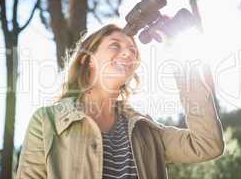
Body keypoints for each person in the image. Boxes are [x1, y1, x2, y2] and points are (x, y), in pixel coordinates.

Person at [16, 24, 225, 179]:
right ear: (88, 60)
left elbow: (207, 145)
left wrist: (181, 60)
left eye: (133, 51)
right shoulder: (46, 121)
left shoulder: (145, 130)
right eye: (115, 45)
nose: (127, 52)